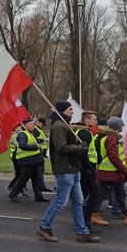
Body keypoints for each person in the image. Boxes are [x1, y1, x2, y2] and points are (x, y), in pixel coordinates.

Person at [37, 101, 99, 243]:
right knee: (61, 201)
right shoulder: (59, 126)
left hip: (73, 168)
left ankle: (82, 232)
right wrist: (81, 147)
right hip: (65, 169)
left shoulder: (65, 125)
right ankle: (44, 227)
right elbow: (61, 148)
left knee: (78, 201)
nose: (72, 111)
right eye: (70, 109)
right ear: (62, 110)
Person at [95, 117, 127, 226]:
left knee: (121, 195)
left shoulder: (113, 137)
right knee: (103, 195)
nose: (123, 127)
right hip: (109, 173)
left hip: (114, 173)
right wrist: (125, 171)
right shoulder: (112, 138)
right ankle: (94, 214)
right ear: (118, 126)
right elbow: (113, 156)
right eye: (122, 125)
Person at [75, 111, 103, 232]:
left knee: (84, 195)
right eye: (94, 119)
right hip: (86, 169)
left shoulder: (83, 132)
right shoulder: (85, 133)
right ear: (86, 120)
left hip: (86, 168)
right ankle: (85, 221)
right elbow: (83, 152)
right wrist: (89, 169)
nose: (96, 122)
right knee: (94, 194)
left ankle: (82, 220)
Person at [8, 118, 47, 203]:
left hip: (34, 160)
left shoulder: (29, 134)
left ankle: (39, 196)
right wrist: (36, 147)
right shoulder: (22, 134)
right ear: (24, 126)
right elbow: (22, 145)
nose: (33, 125)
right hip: (27, 161)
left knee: (36, 179)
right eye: (31, 124)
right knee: (23, 179)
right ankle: (13, 194)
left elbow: (35, 141)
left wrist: (43, 140)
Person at [34, 117, 53, 192]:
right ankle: (42, 187)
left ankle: (41, 186)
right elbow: (34, 140)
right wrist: (44, 140)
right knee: (40, 171)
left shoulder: (40, 130)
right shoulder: (36, 130)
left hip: (42, 153)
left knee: (39, 171)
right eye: (42, 123)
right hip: (39, 153)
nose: (42, 125)